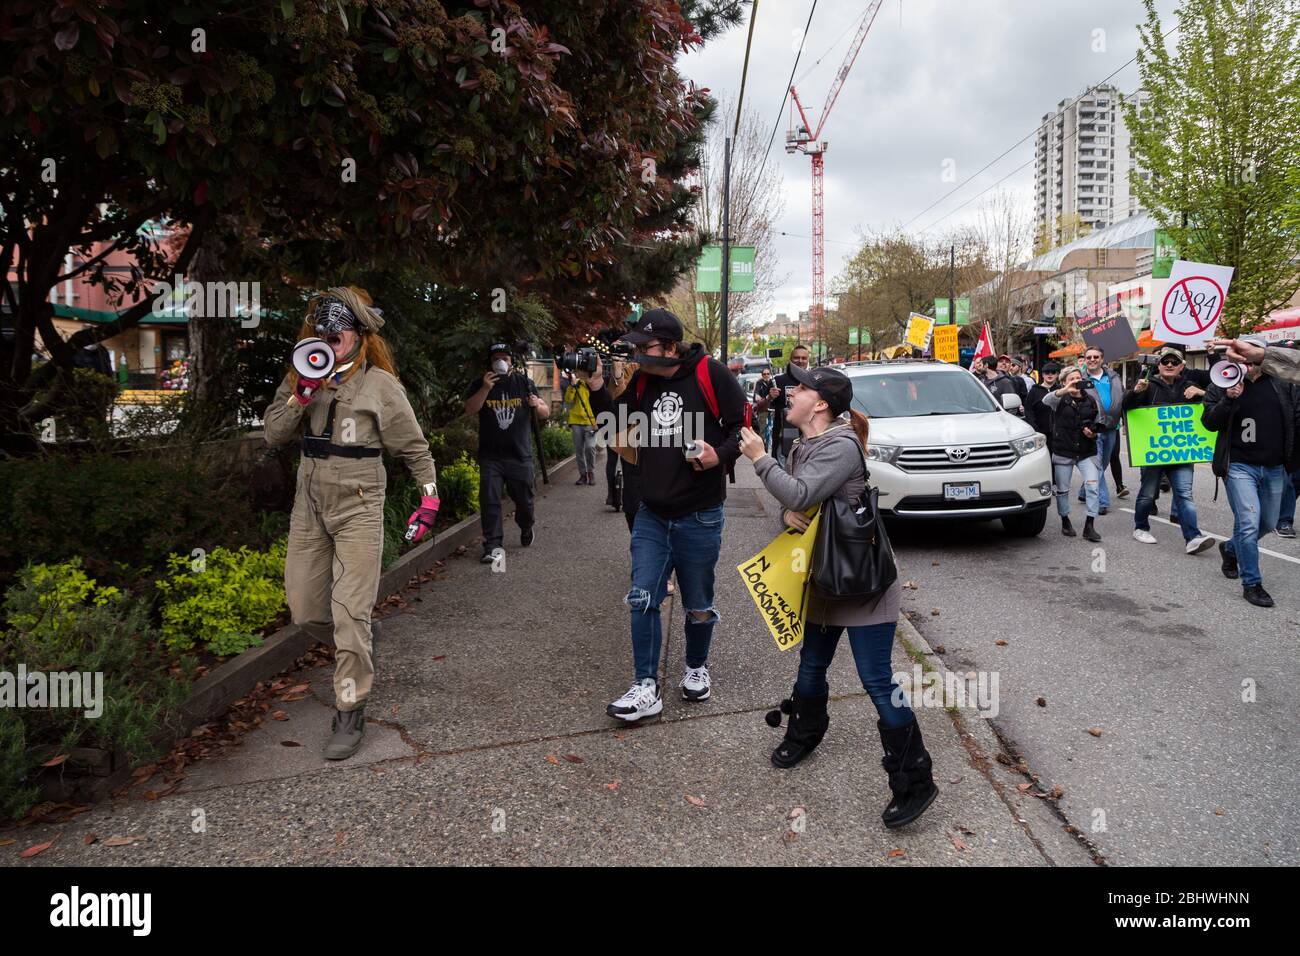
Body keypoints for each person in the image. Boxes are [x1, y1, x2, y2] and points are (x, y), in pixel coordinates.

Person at [738, 365, 936, 829]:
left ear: (821, 403)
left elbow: (802, 488)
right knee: (811, 665)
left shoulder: (841, 445)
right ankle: (807, 730)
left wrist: (760, 458)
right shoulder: (806, 443)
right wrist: (789, 513)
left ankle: (915, 779)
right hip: (826, 577)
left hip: (863, 583)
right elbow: (802, 502)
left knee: (876, 680)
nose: (790, 392)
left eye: (800, 388)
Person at [264, 287, 439, 760]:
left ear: (359, 337)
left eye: (338, 333)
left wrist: (428, 502)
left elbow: (415, 451)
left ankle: (350, 707)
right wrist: (300, 395)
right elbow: (273, 433)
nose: (328, 339)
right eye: (321, 332)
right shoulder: (301, 375)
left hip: (360, 504)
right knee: (305, 611)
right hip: (310, 506)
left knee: (349, 612)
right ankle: (357, 640)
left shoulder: (381, 387)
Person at [581, 308, 746, 720]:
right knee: (642, 598)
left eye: (645, 346)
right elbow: (612, 425)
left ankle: (696, 667)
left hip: (700, 514)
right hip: (652, 513)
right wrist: (596, 384)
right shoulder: (643, 381)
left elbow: (742, 428)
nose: (637, 354)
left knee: (698, 603)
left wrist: (718, 456)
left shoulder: (712, 373)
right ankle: (645, 686)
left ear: (670, 347)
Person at [1201, 340, 1300, 608]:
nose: (1245, 360)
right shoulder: (1221, 383)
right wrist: (1228, 399)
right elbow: (1209, 422)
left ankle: (1231, 548)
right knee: (1248, 521)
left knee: (1267, 523)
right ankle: (1252, 583)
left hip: (1275, 466)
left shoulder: (1283, 384)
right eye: (1241, 355)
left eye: (1250, 354)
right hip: (1239, 466)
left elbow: (1296, 420)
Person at [1121, 346, 1215, 554]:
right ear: (1159, 365)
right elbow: (1126, 408)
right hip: (1154, 452)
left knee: (1184, 494)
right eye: (1165, 362)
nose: (1170, 365)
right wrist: (1135, 393)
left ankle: (1193, 537)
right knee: (1148, 493)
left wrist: (1202, 393)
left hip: (1182, 453)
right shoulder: (1147, 386)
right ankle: (1141, 527)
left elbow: (1217, 402)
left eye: (1174, 362)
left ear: (1182, 366)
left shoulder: (1190, 385)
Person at [464, 343, 549, 564]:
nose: (501, 362)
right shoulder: (481, 383)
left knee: (524, 501)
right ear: (490, 362)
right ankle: (492, 546)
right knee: (490, 501)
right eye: (496, 358)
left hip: (519, 455)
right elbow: (470, 409)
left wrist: (535, 405)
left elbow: (544, 412)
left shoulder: (524, 383)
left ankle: (526, 524)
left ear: (512, 362)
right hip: (491, 456)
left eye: (505, 358)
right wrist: (484, 388)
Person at [1042, 367, 1102, 541]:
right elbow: (1046, 400)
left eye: (1078, 378)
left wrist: (1093, 433)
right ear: (1064, 382)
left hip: (1086, 452)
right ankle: (1065, 520)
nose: (1076, 381)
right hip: (1063, 451)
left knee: (1093, 487)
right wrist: (1065, 390)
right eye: (1071, 378)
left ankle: (1089, 525)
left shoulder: (1091, 400)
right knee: (1062, 490)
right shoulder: (1058, 399)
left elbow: (1098, 423)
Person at [1075, 347, 1123, 515]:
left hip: (1111, 427)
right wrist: (1083, 426)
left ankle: (1083, 491)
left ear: (1102, 359)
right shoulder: (1079, 379)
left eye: (1096, 357)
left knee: (1102, 464)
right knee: (1097, 466)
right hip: (1092, 429)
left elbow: (1121, 398)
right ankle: (1102, 502)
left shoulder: (1114, 376)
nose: (1092, 359)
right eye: (1089, 357)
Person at [760, 344, 811, 467]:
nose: (800, 361)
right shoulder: (777, 381)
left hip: (809, 438)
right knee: (783, 479)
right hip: (784, 437)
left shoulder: (814, 380)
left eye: (804, 358)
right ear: (790, 359)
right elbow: (760, 408)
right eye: (796, 357)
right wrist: (769, 397)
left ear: (808, 360)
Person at [562, 364, 598, 486]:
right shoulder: (576, 385)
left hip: (591, 421)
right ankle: (583, 475)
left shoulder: (594, 385)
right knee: (579, 450)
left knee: (590, 447)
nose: (579, 374)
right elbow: (568, 400)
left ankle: (590, 472)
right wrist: (572, 385)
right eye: (578, 372)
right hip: (576, 421)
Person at [1025, 361, 1059, 437]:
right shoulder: (1034, 390)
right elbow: (1028, 410)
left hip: (1058, 434)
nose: (1050, 374)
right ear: (1043, 375)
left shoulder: (1060, 390)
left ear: (1057, 374)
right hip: (1040, 433)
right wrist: (1035, 428)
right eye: (1047, 372)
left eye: (1053, 372)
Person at [753, 367, 776, 452]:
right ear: (761, 375)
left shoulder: (773, 382)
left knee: (773, 429)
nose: (766, 375)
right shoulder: (759, 383)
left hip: (773, 409)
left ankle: (772, 446)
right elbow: (757, 396)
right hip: (763, 409)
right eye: (764, 374)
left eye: (768, 374)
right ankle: (762, 449)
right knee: (762, 429)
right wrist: (759, 397)